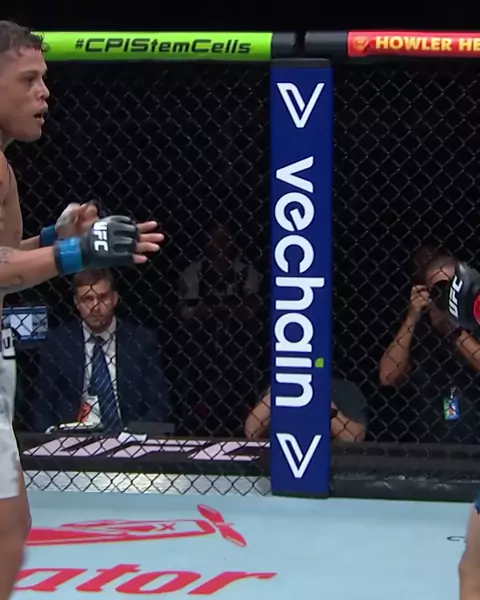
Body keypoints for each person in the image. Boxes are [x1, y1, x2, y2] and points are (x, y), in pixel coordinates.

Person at [0, 21, 164, 599]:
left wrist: (56, 237)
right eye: (28, 79)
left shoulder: (4, 165)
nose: (44, 92)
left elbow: (7, 255)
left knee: (10, 529)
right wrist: (77, 253)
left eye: (44, 78)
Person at [34, 269, 169, 432]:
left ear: (115, 298)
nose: (95, 307)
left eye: (102, 297)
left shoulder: (141, 340)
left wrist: (135, 434)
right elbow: (42, 404)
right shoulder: (58, 342)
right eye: (87, 299)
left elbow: (157, 402)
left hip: (127, 435)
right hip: (72, 435)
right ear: (77, 303)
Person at [379, 248, 480, 443]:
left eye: (452, 286)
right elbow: (388, 377)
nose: (446, 295)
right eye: (438, 289)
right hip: (431, 449)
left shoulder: (475, 319)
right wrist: (412, 316)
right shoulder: (419, 332)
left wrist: (454, 333)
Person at [244, 377, 368, 442]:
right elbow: (251, 431)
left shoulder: (343, 389)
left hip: (330, 461)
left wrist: (320, 401)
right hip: (283, 457)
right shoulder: (281, 384)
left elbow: (354, 438)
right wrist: (277, 393)